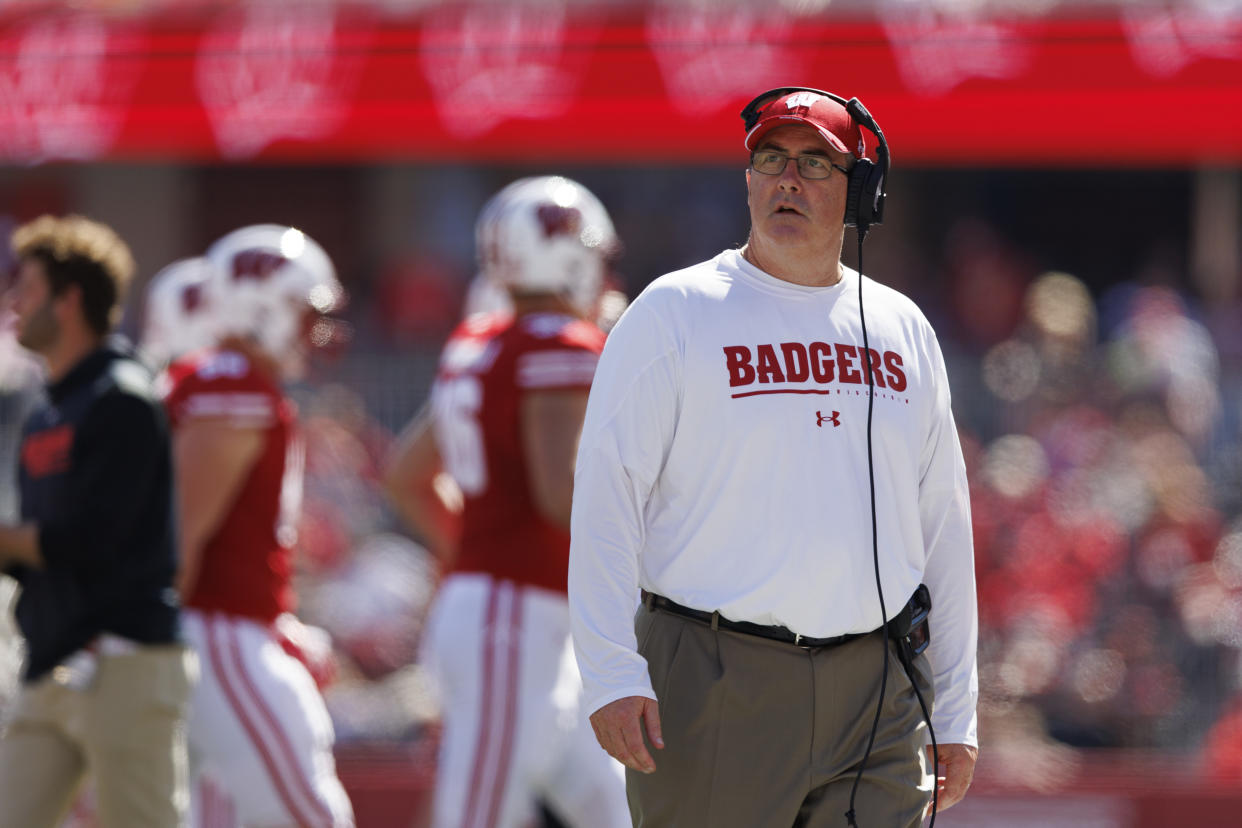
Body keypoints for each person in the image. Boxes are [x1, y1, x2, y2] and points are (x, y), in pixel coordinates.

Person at [568, 87, 980, 827]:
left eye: (815, 163)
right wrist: (607, 671)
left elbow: (943, 525)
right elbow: (606, 499)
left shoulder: (902, 327)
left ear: (860, 188)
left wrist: (956, 709)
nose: (787, 179)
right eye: (770, 158)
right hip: (716, 676)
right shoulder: (675, 311)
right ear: (748, 179)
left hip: (879, 690)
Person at [383, 176, 630, 828]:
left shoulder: (480, 341)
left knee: (612, 802)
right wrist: (653, 556)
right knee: (481, 813)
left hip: (511, 610)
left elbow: (407, 477)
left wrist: (476, 553)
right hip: (515, 617)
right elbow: (561, 492)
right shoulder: (556, 346)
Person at [154, 225, 355, 828]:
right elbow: (182, 536)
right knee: (311, 815)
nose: (315, 330)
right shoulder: (232, 387)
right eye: (304, 311)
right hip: (217, 633)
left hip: (218, 627)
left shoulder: (217, 379)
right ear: (264, 307)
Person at [0, 214, 195, 827]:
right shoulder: (48, 408)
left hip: (124, 661)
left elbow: (90, 539)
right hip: (52, 660)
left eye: (27, 289)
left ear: (70, 298)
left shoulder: (123, 398)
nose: (13, 303)